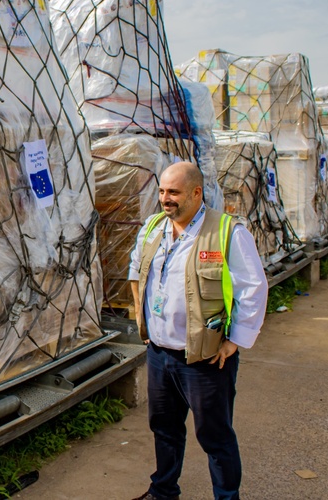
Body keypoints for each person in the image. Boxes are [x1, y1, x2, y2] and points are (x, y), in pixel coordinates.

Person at [128, 162, 267, 500]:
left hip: (204, 359)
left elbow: (253, 288)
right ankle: (163, 491)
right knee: (165, 430)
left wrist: (236, 341)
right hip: (160, 354)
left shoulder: (226, 232)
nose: (165, 199)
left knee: (215, 436)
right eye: (161, 191)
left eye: (173, 192)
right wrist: (141, 318)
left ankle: (226, 496)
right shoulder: (153, 227)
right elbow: (136, 269)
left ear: (195, 192)